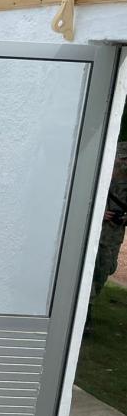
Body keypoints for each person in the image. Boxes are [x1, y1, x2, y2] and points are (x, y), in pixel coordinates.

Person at [88, 141, 127, 333]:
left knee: (106, 269)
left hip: (115, 230)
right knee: (90, 269)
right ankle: (84, 315)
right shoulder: (110, 148)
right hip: (95, 223)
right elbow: (87, 181)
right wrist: (98, 209)